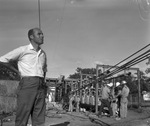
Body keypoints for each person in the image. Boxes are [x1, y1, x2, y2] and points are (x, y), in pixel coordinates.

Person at [0, 28, 47, 126]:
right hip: (27, 83)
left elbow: (44, 69)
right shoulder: (23, 50)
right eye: (39, 34)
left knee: (39, 117)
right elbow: (3, 59)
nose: (42, 36)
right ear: (31, 37)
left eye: (42, 34)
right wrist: (17, 72)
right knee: (23, 114)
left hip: (41, 85)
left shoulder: (43, 54)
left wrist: (43, 81)